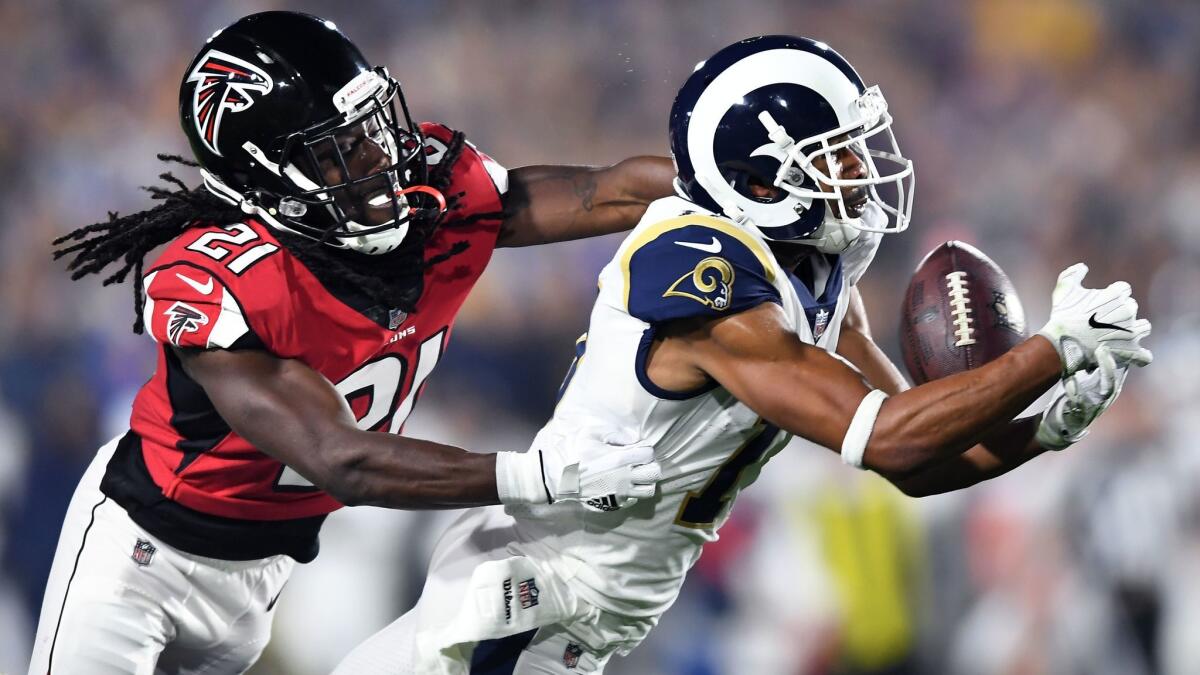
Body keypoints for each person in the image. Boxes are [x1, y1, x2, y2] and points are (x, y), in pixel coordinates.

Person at [332, 35, 1153, 674]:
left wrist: (1048, 424)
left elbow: (919, 457)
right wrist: (1052, 347)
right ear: (760, 180)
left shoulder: (814, 269)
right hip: (522, 609)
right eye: (836, 151)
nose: (862, 171)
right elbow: (891, 435)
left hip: (574, 618)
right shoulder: (707, 279)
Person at [28, 11, 674, 675]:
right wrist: (534, 476)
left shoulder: (433, 202)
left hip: (270, 573)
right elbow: (342, 459)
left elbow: (603, 190)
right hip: (141, 562)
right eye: (340, 148)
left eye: (372, 126)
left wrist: (718, 189)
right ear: (268, 177)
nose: (383, 156)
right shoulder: (223, 280)